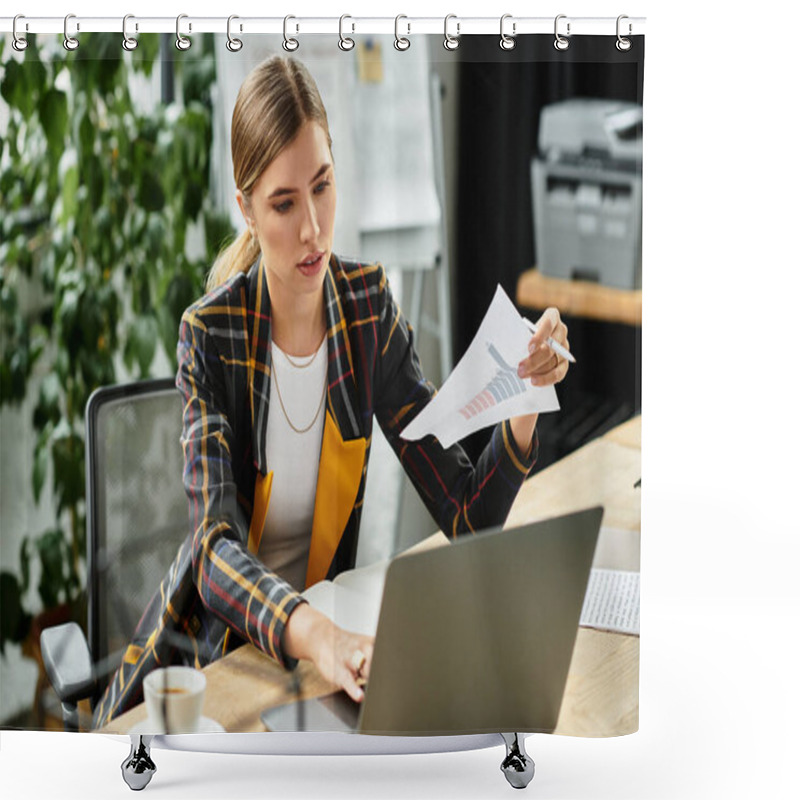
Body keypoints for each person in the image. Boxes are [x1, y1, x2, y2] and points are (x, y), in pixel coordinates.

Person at [93, 55, 571, 729]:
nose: (313, 229)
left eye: (322, 187)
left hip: (321, 666)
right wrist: (318, 634)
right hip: (216, 658)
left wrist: (522, 404)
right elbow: (213, 552)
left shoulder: (367, 310)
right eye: (284, 204)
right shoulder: (210, 334)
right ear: (247, 210)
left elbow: (467, 517)